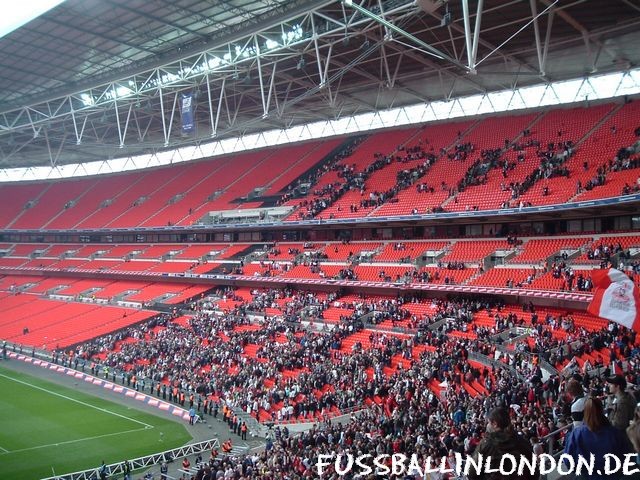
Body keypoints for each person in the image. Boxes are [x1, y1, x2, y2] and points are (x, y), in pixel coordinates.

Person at [563, 397, 633, 479]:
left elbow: (568, 461)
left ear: (585, 412)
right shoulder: (615, 433)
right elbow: (626, 458)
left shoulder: (576, 434)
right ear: (601, 411)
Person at [467, 407, 538, 480]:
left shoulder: (486, 444)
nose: (487, 425)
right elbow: (534, 471)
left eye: (489, 422)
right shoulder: (522, 441)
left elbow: (471, 474)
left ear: (495, 423)